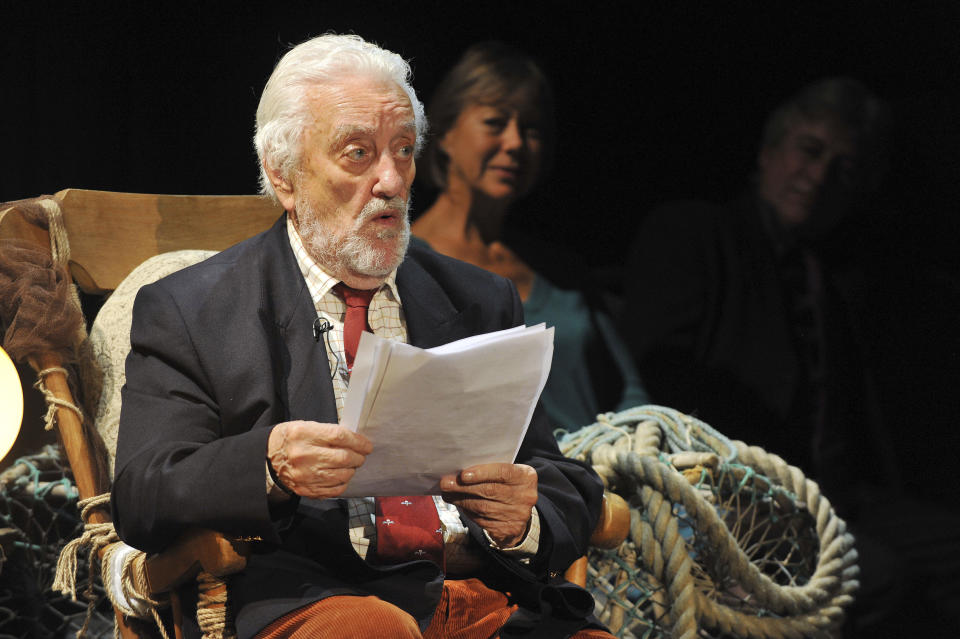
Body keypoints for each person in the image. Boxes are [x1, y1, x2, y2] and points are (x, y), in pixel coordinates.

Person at [111, 34, 612, 639]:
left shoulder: (478, 297)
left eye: (403, 151)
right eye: (358, 154)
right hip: (319, 600)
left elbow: (555, 479)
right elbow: (144, 494)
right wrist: (267, 464)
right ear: (284, 174)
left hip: (484, 596)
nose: (392, 181)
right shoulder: (192, 309)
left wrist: (525, 517)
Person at [620, 77, 960, 636]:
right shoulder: (698, 233)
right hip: (743, 495)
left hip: (840, 495)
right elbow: (657, 376)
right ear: (769, 152)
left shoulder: (842, 278)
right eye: (809, 150)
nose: (819, 175)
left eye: (843, 168)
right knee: (878, 578)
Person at [412, 42, 648, 432]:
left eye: (531, 129)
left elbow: (629, 392)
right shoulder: (401, 264)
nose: (516, 143)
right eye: (495, 122)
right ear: (445, 133)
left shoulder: (562, 271)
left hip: (603, 482)